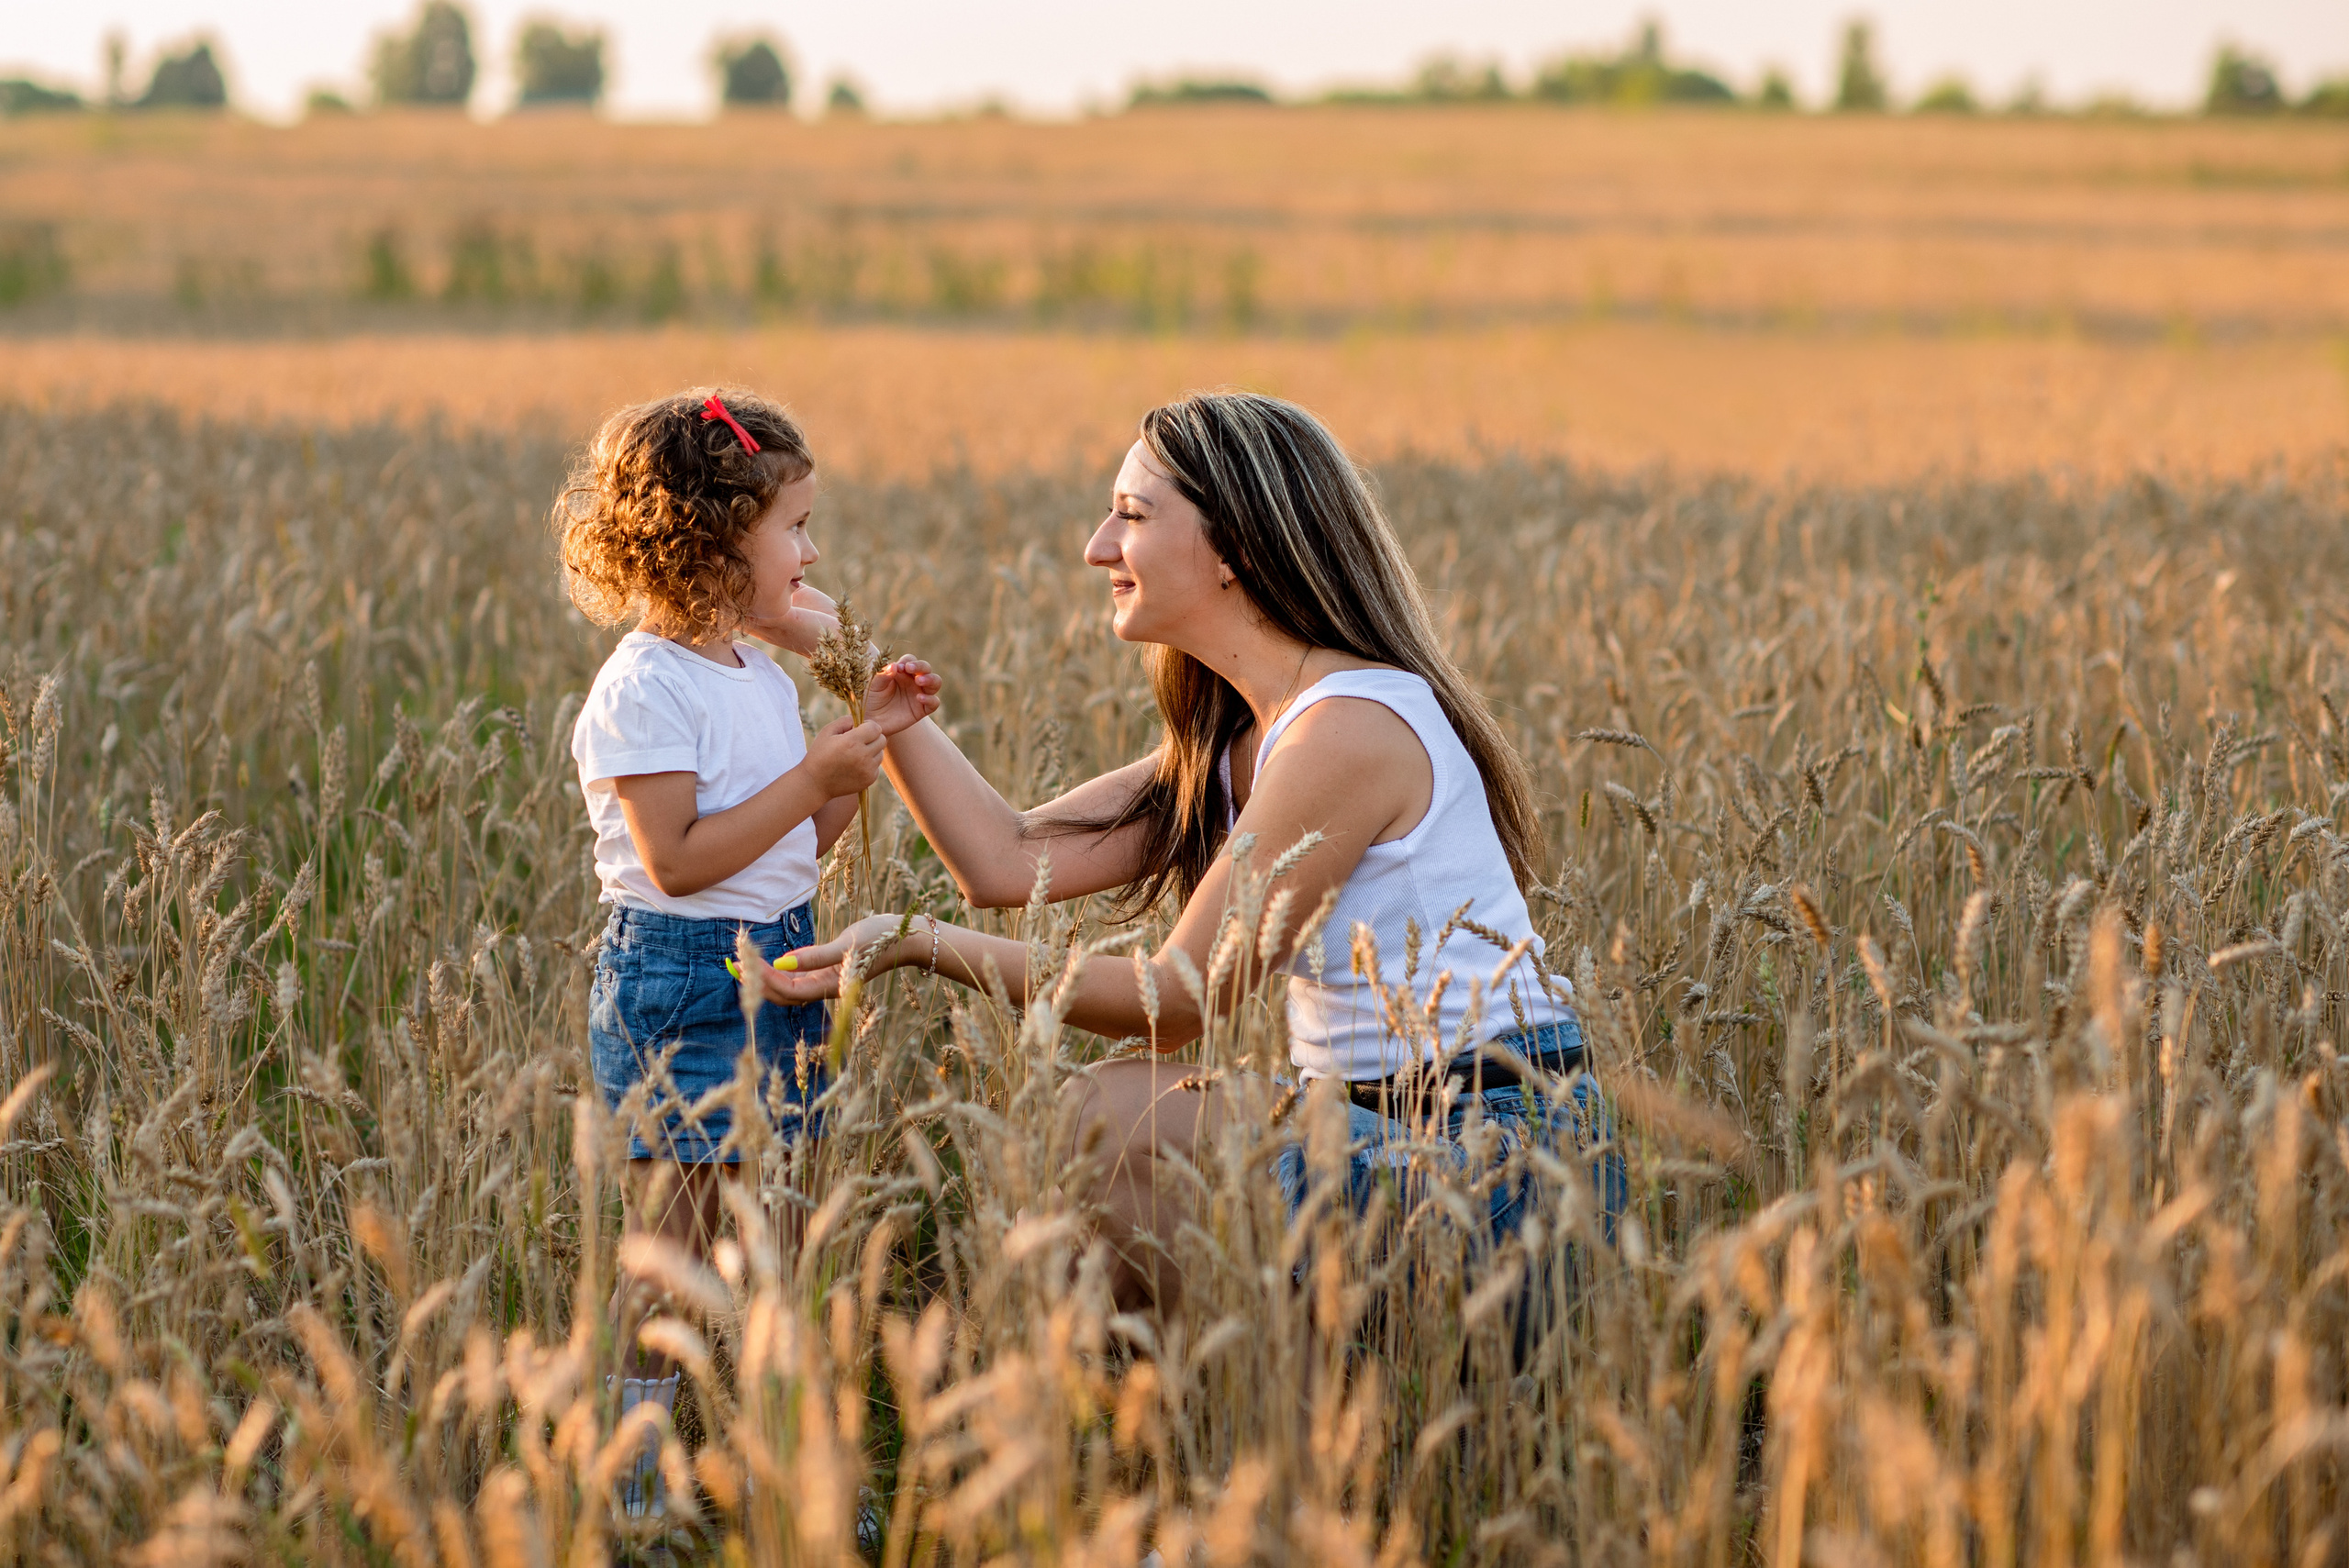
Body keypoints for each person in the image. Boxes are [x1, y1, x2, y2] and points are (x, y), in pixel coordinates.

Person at [759, 390, 1610, 1312]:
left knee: (1108, 1116)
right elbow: (1003, 858)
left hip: (1493, 1164)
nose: (1096, 546)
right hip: (1385, 1126)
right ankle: (1187, 1434)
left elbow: (1177, 1001)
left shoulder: (1348, 728)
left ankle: (1243, 1430)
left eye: (1130, 515)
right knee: (1107, 1137)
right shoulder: (1256, 734)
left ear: (1234, 551)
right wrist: (850, 658)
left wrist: (912, 939)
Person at [554, 387, 940, 1510]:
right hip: (676, 972)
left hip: (781, 956)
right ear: (711, 539)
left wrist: (860, 752)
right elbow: (675, 858)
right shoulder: (643, 685)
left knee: (783, 1231)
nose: (813, 552)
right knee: (675, 1240)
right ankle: (629, 1472)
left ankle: (797, 1467)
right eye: (796, 527)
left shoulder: (758, 677)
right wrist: (809, 779)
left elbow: (789, 851)